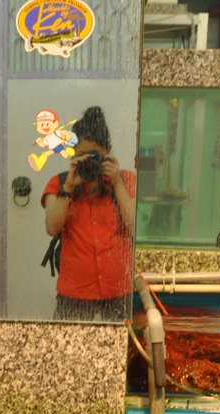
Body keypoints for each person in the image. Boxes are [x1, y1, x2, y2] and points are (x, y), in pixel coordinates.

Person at [41, 105, 136, 321]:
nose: (88, 162)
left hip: (118, 292)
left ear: (108, 151)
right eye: (81, 156)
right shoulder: (60, 183)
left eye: (94, 156)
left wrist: (117, 183)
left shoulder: (125, 181)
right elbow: (52, 228)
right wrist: (69, 187)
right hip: (74, 293)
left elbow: (134, 227)